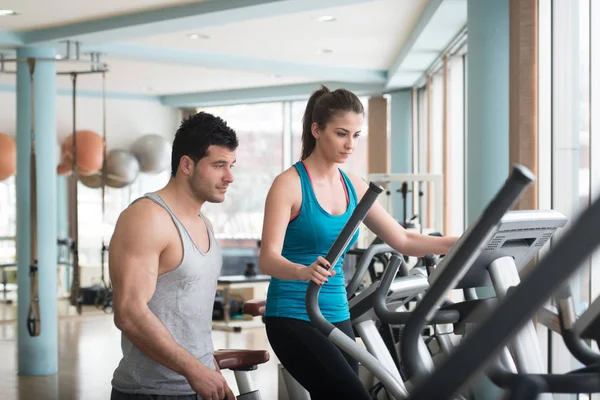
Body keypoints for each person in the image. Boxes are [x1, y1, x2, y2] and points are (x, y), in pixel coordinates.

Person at [259, 85, 458, 399]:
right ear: (316, 129)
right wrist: (302, 271)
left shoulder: (352, 184)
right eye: (341, 134)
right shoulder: (289, 184)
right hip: (292, 315)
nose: (350, 144)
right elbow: (267, 258)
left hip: (336, 314)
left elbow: (403, 239)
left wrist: (456, 242)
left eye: (356, 135)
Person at [109, 112, 238, 400]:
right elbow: (129, 312)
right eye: (219, 165)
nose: (230, 177)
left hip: (199, 385)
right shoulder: (147, 218)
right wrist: (194, 369)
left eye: (231, 165)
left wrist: (207, 368)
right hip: (151, 393)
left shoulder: (204, 222)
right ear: (187, 165)